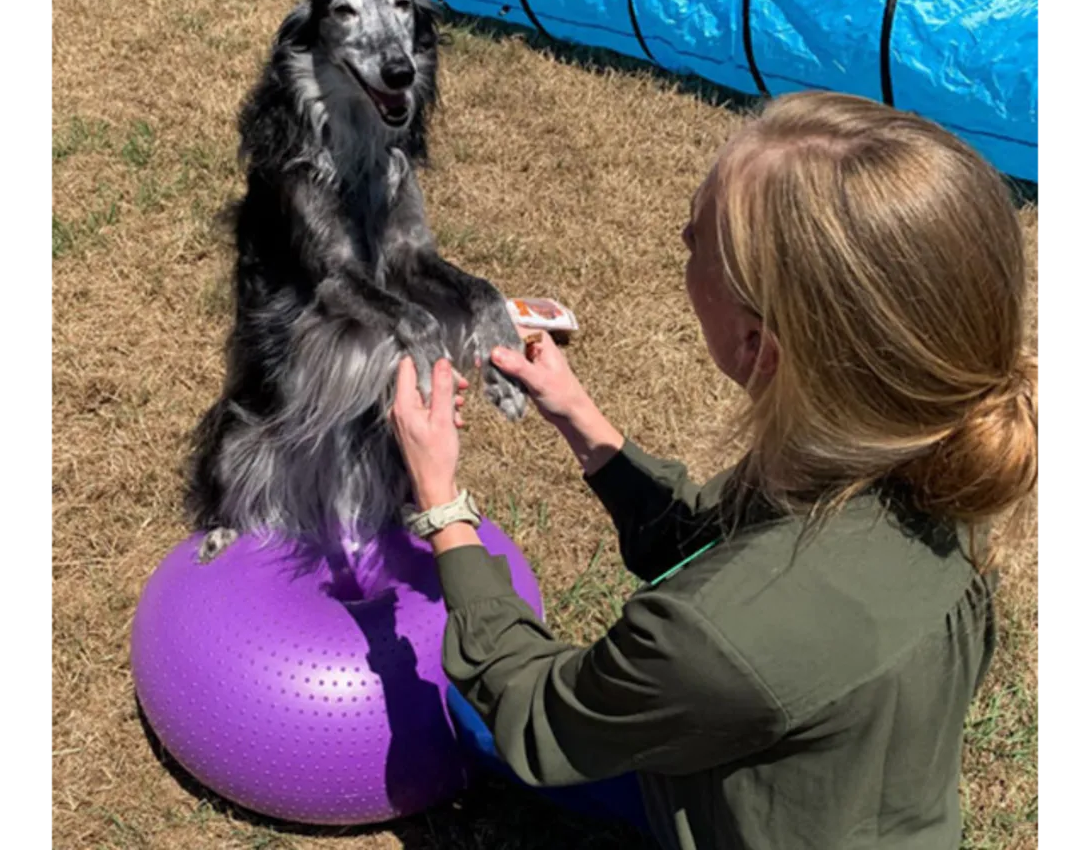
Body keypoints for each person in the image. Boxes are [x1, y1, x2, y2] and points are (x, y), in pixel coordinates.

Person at [388, 91, 1039, 850]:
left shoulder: (714, 638)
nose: (682, 235)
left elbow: (536, 715)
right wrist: (583, 421)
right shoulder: (936, 459)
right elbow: (715, 545)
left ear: (759, 348)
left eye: (699, 237)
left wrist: (441, 502)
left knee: (468, 709)